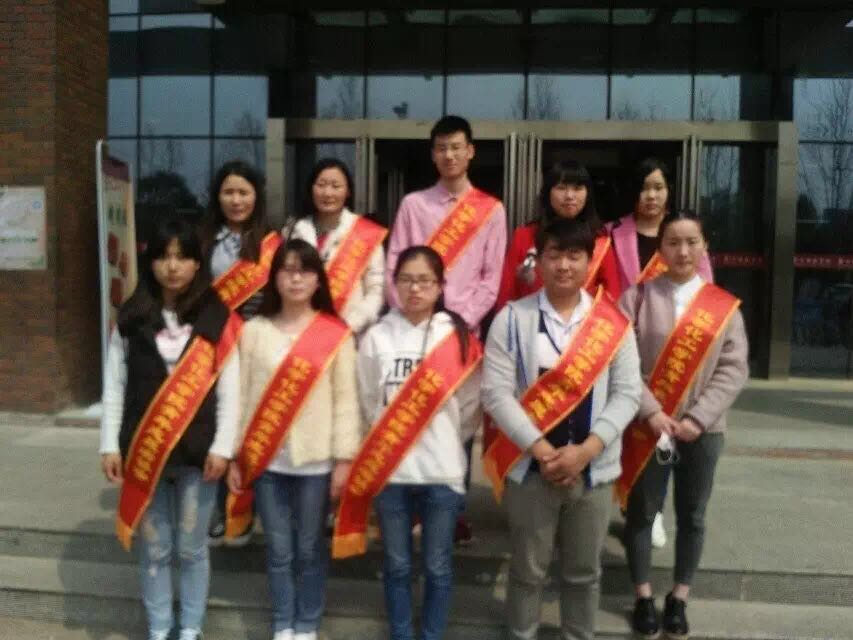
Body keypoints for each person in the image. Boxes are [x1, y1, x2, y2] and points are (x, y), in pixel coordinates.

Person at [482, 218, 641, 640]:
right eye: (554, 254)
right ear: (539, 261)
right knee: (527, 571)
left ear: (590, 262)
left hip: (593, 472)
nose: (564, 265)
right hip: (531, 471)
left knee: (584, 573)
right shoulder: (511, 319)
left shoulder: (613, 323)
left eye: (574, 255)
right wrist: (540, 450)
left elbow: (628, 394)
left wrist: (587, 451)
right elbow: (496, 394)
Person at [99, 217, 241, 640]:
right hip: (146, 452)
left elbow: (230, 388)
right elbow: (114, 385)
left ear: (198, 263)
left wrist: (223, 447)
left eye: (182, 257)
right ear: (151, 262)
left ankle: (191, 628)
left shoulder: (217, 316)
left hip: (199, 454)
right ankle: (160, 628)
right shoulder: (131, 318)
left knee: (192, 549)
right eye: (163, 256)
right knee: (155, 548)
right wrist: (109, 444)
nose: (173, 266)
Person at [337, 245, 481, 640]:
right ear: (394, 285)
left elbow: (470, 407)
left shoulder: (458, 337)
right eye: (406, 280)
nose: (415, 288)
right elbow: (368, 399)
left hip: (442, 472)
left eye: (424, 281)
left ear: (440, 286)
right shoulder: (377, 336)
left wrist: (445, 438)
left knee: (438, 566)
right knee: (397, 565)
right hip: (391, 473)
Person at [617, 210, 748, 640]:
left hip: (702, 432)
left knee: (693, 513)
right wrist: (652, 411)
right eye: (673, 242)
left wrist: (697, 417)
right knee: (642, 511)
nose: (683, 251)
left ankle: (679, 597)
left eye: (692, 242)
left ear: (705, 246)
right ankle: (642, 596)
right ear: (660, 249)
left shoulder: (723, 306)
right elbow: (621, 360)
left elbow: (733, 368)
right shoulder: (637, 298)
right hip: (649, 427)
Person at [226, 239, 361, 640]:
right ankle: (283, 621)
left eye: (305, 270)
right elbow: (240, 397)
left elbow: (346, 401)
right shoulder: (254, 331)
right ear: (274, 278)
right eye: (287, 270)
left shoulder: (335, 334)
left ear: (319, 279)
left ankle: (307, 623)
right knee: (279, 549)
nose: (296, 278)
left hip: (315, 463)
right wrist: (235, 454)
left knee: (309, 548)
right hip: (268, 461)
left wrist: (344, 459)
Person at [386, 115, 506, 544]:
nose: (449, 155)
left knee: (460, 425)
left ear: (470, 151)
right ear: (432, 154)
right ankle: (412, 508)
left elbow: (491, 279)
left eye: (456, 147)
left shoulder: (491, 210)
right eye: (441, 148)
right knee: (414, 418)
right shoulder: (413, 205)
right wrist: (415, 315)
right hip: (415, 331)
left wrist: (458, 319)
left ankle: (452, 511)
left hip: (461, 337)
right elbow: (394, 265)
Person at [608, 157, 714, 547]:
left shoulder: (685, 235)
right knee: (630, 437)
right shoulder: (612, 234)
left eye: (658, 187)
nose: (650, 195)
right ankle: (634, 507)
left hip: (678, 354)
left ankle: (652, 512)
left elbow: (707, 297)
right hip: (626, 344)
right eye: (643, 187)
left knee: (666, 439)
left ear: (669, 191)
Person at [202, 159, 281, 547]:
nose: (236, 200)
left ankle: (249, 509)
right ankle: (221, 507)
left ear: (256, 196)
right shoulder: (203, 241)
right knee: (221, 427)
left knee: (255, 427)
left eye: (243, 192)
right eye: (229, 192)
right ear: (217, 197)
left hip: (256, 345)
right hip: (214, 345)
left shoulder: (271, 243)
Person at [497, 160, 620, 308]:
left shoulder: (601, 242)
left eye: (577, 188)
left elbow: (612, 299)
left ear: (588, 194)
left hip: (586, 321)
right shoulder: (524, 236)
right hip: (530, 319)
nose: (569, 196)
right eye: (561, 188)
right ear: (548, 193)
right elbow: (507, 293)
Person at [287, 158, 386, 336]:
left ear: (348, 191)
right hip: (300, 332)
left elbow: (376, 290)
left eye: (336, 186)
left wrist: (350, 325)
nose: (327, 193)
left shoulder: (366, 233)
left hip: (350, 334)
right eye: (321, 185)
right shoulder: (293, 231)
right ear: (311, 189)